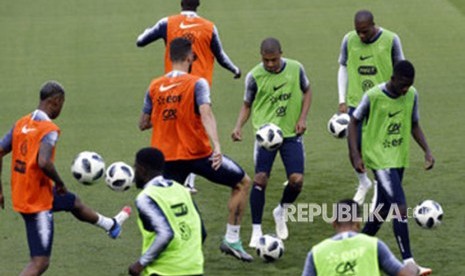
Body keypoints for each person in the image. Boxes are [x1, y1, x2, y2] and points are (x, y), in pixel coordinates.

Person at [138, 37, 253, 262]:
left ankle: (167, 260)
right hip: (199, 155)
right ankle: (231, 239)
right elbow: (206, 113)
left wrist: (166, 112)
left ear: (170, 57)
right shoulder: (197, 83)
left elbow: (143, 123)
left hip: (167, 161)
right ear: (190, 56)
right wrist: (217, 145)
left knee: (169, 215)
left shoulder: (154, 86)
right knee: (242, 183)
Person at [0, 81, 131, 276]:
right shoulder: (48, 129)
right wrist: (60, 182)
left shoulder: (21, 123)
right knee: (40, 262)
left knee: (73, 202)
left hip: (24, 191)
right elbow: (44, 162)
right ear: (56, 101)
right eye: (62, 103)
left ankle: (110, 225)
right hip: (37, 203)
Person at [136, 0, 242, 193]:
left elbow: (140, 41)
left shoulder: (167, 23)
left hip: (168, 88)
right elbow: (220, 55)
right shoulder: (209, 27)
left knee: (175, 129)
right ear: (198, 4)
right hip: (199, 87)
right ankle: (189, 180)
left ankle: (182, 180)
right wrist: (235, 69)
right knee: (197, 128)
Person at [348, 60, 434, 275]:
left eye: (409, 85)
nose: (405, 89)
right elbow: (353, 122)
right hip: (379, 159)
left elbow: (413, 124)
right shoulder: (373, 96)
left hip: (398, 158)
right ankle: (409, 263)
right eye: (402, 84)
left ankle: (355, 248)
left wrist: (427, 150)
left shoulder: (412, 95)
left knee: (384, 209)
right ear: (393, 78)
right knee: (400, 206)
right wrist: (355, 154)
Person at [231, 37, 312, 247]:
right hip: (265, 137)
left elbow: (307, 91)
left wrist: (302, 118)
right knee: (260, 179)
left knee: (297, 181)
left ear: (281, 54)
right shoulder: (254, 76)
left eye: (273, 60)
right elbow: (247, 105)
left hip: (290, 135)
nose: (270, 64)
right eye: (266, 60)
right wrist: (238, 126)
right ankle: (256, 230)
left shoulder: (296, 68)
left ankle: (281, 210)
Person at [337, 10, 405, 205]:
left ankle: (379, 186)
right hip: (356, 104)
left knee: (378, 149)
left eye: (365, 32)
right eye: (358, 31)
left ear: (374, 25)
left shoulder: (391, 39)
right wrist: (342, 99)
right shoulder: (349, 40)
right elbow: (342, 66)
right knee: (354, 148)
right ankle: (363, 182)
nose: (361, 36)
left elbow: (401, 69)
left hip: (383, 105)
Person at [128, 147, 204, 276]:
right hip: (194, 268)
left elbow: (165, 233)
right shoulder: (182, 190)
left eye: (135, 167)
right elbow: (202, 231)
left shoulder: (146, 197)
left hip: (164, 271)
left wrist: (140, 263)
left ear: (142, 169)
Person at [302, 199, 419, 276]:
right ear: (358, 223)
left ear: (333, 223)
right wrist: (413, 267)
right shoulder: (373, 245)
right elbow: (405, 274)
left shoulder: (316, 253)